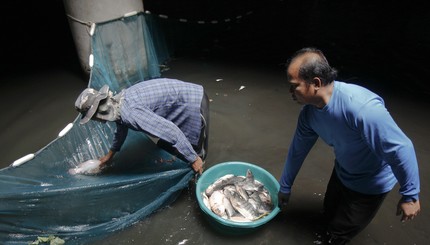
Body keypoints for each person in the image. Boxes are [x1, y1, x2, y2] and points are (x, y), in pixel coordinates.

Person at [277, 47, 420, 244]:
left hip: (370, 185)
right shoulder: (309, 114)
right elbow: (298, 150)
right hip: (343, 171)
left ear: (315, 83)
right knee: (326, 215)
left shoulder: (362, 109)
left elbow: (401, 148)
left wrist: (410, 196)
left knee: (338, 234)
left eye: (294, 86)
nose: (290, 91)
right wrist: (285, 186)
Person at [74, 78, 209, 175]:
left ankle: (199, 177)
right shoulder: (117, 102)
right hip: (177, 103)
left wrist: (193, 159)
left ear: (98, 112)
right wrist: (109, 155)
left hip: (193, 102)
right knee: (168, 145)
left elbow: (171, 131)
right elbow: (120, 130)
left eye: (92, 117)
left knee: (195, 152)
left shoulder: (132, 114)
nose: (95, 120)